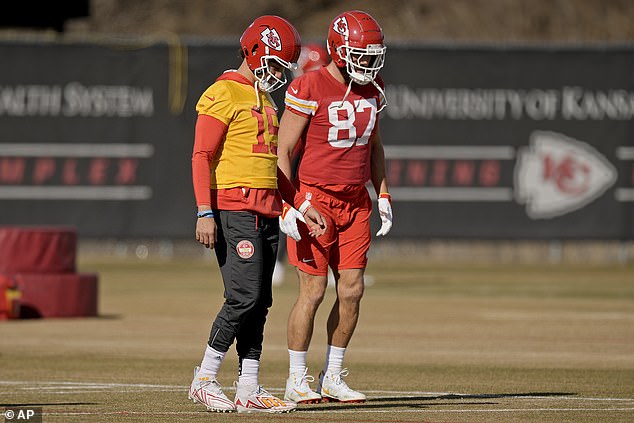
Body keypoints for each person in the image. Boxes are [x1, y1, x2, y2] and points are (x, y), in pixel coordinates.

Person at [188, 15, 326, 414]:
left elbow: (271, 167)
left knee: (260, 300)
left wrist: (300, 205)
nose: (280, 73)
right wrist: (203, 212)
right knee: (243, 296)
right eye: (276, 63)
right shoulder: (223, 92)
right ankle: (205, 377)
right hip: (235, 209)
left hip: (266, 210)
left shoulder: (263, 97)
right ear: (254, 52)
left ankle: (248, 386)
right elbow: (201, 155)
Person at [276, 10, 393, 404]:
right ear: (339, 50)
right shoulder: (310, 85)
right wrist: (293, 204)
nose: (368, 62)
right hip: (316, 198)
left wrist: (384, 193)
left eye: (372, 54)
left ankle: (333, 375)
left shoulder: (372, 89)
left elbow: (374, 147)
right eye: (361, 53)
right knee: (312, 290)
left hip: (356, 202)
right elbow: (283, 151)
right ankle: (296, 378)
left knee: (353, 290)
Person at [273, 42, 330, 286]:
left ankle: (324, 266)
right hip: (294, 165)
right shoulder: (301, 94)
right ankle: (277, 263)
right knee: (288, 212)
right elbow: (285, 146)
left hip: (311, 165)